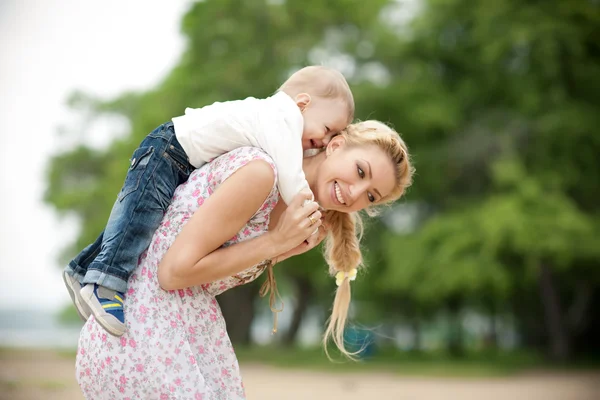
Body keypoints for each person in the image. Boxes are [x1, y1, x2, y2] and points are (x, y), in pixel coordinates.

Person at [75, 120, 414, 399]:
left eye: (371, 195)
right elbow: (172, 273)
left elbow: (207, 279)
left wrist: (282, 247)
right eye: (360, 171)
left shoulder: (303, 219)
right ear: (336, 145)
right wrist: (274, 242)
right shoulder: (260, 172)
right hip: (141, 329)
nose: (355, 193)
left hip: (190, 333)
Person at [63, 66, 354, 336]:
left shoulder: (274, 118)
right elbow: (291, 175)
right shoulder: (284, 118)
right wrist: (307, 211)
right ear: (303, 103)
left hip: (179, 155)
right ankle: (106, 284)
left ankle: (81, 269)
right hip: (170, 149)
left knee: (141, 222)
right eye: (327, 130)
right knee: (138, 218)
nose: (324, 142)